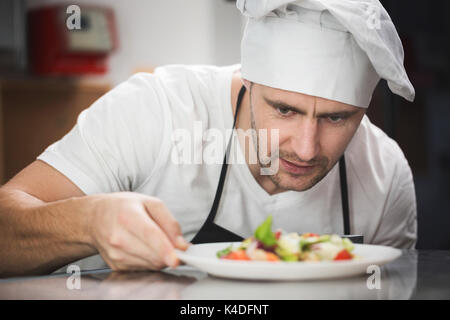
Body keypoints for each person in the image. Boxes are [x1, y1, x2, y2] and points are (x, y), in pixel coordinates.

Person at [0, 0, 417, 277]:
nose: (306, 148)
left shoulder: (386, 176)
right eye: (284, 110)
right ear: (247, 81)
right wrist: (88, 223)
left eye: (337, 118)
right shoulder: (156, 108)